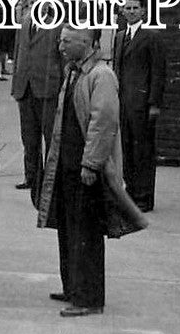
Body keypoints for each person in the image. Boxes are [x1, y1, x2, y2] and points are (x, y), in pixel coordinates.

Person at [36, 26, 146, 318]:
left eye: (66, 42)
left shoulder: (101, 76)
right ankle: (73, 287)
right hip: (67, 165)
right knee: (69, 229)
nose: (60, 47)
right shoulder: (75, 72)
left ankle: (89, 297)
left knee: (86, 232)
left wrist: (91, 164)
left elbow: (104, 122)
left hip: (86, 169)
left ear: (85, 43)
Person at [111, 0, 166, 212]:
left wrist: (154, 103)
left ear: (143, 11)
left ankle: (144, 196)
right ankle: (131, 192)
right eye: (128, 8)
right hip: (123, 102)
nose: (131, 11)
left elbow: (158, 72)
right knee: (126, 148)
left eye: (135, 8)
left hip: (142, 103)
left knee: (143, 150)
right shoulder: (120, 36)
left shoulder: (151, 37)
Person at [11, 0, 63, 196]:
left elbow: (64, 58)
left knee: (50, 137)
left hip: (47, 88)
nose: (33, 8)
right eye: (30, 4)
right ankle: (32, 177)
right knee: (29, 138)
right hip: (25, 88)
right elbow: (18, 53)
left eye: (37, 3)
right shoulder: (24, 24)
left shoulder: (57, 26)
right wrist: (16, 84)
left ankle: (53, 180)